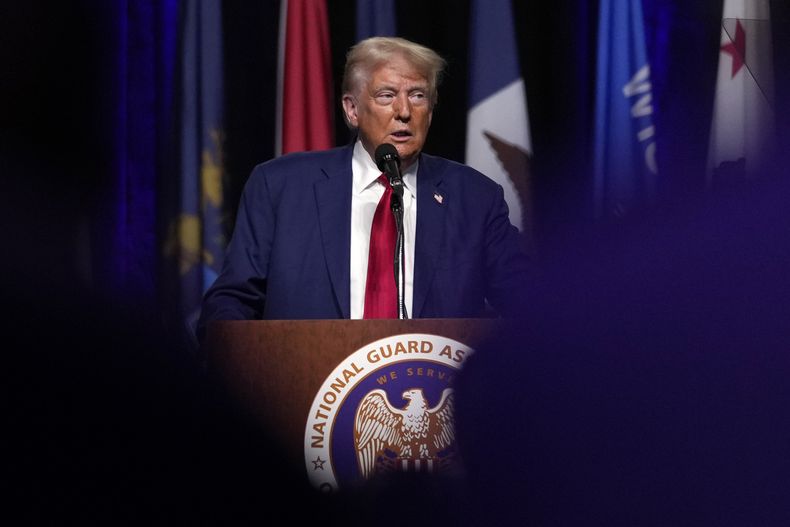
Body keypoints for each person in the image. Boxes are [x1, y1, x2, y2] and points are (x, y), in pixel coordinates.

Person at [197, 37, 530, 340]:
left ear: (431, 109)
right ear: (352, 109)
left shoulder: (474, 198)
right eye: (386, 95)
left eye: (418, 95)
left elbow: (528, 305)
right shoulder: (280, 187)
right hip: (307, 385)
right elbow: (231, 302)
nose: (404, 112)